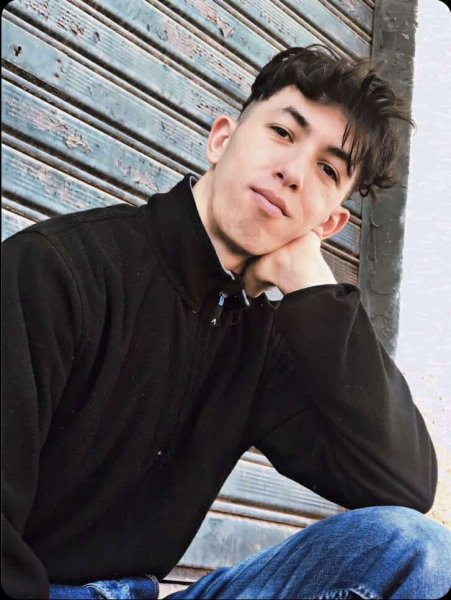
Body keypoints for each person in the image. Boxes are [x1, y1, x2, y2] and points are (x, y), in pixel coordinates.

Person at [2, 45, 450, 600]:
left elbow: (403, 486)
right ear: (221, 139)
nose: (292, 172)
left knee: (424, 554)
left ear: (329, 223)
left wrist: (315, 288)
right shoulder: (57, 269)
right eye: (282, 133)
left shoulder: (261, 344)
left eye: (327, 169)